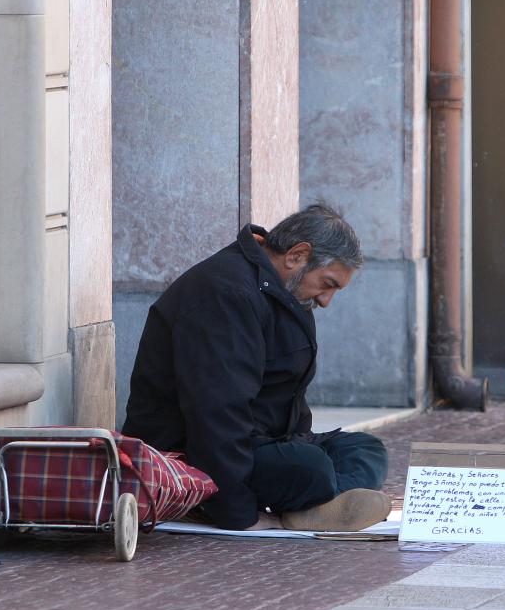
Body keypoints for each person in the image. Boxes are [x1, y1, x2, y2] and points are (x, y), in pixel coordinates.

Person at [123, 204, 391, 532]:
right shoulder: (225, 293)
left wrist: (299, 443)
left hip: (261, 441)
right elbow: (216, 413)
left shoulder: (287, 290)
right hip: (195, 454)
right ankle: (309, 505)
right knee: (311, 469)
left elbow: (289, 394)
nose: (326, 300)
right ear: (297, 256)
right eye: (327, 284)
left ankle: (314, 506)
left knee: (365, 450)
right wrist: (238, 513)